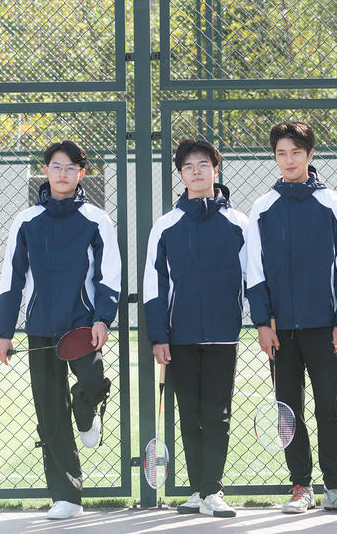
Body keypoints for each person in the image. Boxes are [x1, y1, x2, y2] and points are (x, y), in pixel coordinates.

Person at [0, 140, 121, 520]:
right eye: (56, 166)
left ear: (82, 173)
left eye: (70, 167)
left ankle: (87, 411)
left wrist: (102, 318)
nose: (62, 173)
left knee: (93, 382)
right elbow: (11, 278)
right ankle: (67, 496)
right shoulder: (26, 220)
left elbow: (109, 274)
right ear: (45, 170)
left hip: (83, 326)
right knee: (50, 412)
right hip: (41, 329)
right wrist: (4, 333)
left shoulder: (96, 219)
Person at [245, 121, 337, 515]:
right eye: (281, 153)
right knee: (288, 410)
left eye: (296, 152)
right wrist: (262, 323)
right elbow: (255, 272)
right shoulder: (263, 207)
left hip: (323, 326)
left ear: (310, 155)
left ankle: (336, 487)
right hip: (280, 331)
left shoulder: (332, 202)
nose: (289, 160)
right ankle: (301, 486)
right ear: (274, 157)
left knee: (329, 407)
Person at [143, 139, 248, 518]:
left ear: (215, 169)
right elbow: (154, 286)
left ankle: (212, 490)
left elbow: (254, 278)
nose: (197, 171)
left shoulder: (239, 224)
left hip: (223, 335)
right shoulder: (166, 225)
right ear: (181, 174)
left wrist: (263, 322)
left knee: (217, 415)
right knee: (189, 415)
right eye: (189, 166)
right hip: (180, 338)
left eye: (203, 164)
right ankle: (198, 490)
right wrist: (159, 336)